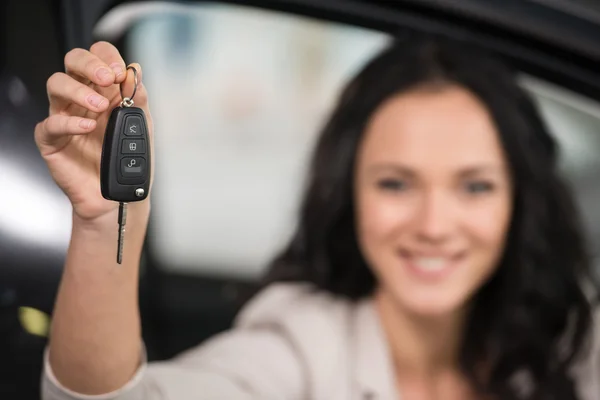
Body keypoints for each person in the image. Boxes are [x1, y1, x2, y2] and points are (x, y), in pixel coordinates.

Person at [36, 33, 599, 400]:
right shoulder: (304, 346)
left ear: (519, 200)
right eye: (396, 183)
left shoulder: (573, 340)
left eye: (475, 186)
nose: (433, 224)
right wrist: (106, 223)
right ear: (348, 193)